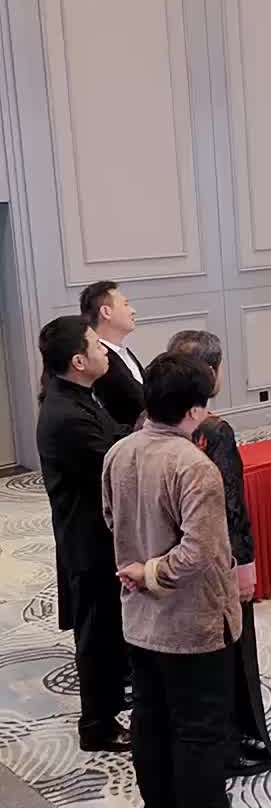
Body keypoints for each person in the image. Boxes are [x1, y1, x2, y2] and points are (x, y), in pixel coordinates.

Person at [102, 352, 271, 808]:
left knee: (151, 717)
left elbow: (111, 518)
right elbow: (200, 553)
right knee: (200, 730)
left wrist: (139, 569)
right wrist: (152, 572)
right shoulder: (195, 467)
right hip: (191, 621)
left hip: (139, 617)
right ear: (196, 410)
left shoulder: (119, 452)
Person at [169, 329, 271, 773]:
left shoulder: (149, 425)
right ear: (211, 373)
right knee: (233, 651)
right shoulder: (214, 431)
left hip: (169, 559)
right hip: (214, 559)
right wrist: (244, 564)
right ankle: (236, 740)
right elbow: (231, 505)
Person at [36, 316, 129, 753]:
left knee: (107, 630)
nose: (104, 350)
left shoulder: (76, 397)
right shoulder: (67, 415)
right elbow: (114, 465)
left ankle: (112, 700)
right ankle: (98, 725)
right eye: (96, 344)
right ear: (78, 361)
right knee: (97, 636)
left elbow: (116, 438)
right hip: (89, 542)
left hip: (96, 534)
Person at [79, 281, 145, 427]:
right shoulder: (99, 363)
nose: (133, 311)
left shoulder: (122, 352)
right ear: (106, 312)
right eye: (126, 304)